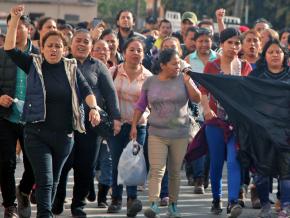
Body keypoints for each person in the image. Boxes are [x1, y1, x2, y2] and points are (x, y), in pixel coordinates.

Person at [4, 5, 101, 218]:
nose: (54, 49)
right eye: (50, 46)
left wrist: (93, 107)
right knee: (46, 181)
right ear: (43, 48)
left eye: (58, 46)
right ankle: (45, 215)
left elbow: (86, 90)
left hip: (65, 137)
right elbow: (10, 48)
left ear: (64, 49)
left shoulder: (71, 67)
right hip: (37, 134)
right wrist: (14, 20)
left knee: (54, 182)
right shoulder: (33, 63)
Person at [51, 28, 121, 217]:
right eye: (78, 41)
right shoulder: (59, 63)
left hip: (91, 125)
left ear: (91, 46)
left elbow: (110, 94)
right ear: (70, 44)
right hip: (63, 124)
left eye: (86, 42)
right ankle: (57, 200)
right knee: (63, 165)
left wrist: (116, 118)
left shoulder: (98, 66)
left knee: (85, 166)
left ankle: (78, 205)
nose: (81, 44)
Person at [130, 48, 201, 218]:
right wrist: (134, 125)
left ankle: (173, 206)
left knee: (175, 172)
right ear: (163, 65)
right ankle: (154, 204)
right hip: (156, 133)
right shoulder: (150, 82)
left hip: (180, 134)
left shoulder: (183, 79)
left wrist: (188, 81)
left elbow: (197, 98)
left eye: (179, 63)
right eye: (174, 63)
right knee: (157, 170)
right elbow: (141, 105)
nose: (178, 66)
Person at [200, 28, 252, 217]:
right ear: (221, 44)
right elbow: (203, 91)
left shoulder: (245, 67)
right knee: (215, 163)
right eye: (229, 42)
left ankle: (232, 202)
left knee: (233, 162)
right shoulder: (212, 66)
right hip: (215, 123)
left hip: (237, 124)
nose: (233, 46)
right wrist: (206, 109)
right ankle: (216, 198)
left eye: (237, 43)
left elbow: (249, 95)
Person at [107, 37, 152, 217]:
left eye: (139, 50)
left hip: (139, 125)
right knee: (117, 161)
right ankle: (116, 199)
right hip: (117, 124)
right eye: (131, 50)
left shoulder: (149, 77)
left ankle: (132, 199)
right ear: (124, 52)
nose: (135, 53)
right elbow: (106, 98)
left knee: (134, 162)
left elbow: (152, 103)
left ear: (143, 54)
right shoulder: (113, 72)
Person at [0, 12, 38, 218]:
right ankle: (9, 205)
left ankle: (23, 190)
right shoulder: (1, 54)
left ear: (29, 29)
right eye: (9, 26)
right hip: (6, 117)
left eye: (17, 25)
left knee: (33, 162)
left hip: (32, 119)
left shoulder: (41, 55)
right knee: (6, 162)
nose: (12, 30)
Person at [249, 39, 290, 218]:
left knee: (286, 172)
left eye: (278, 52)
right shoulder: (256, 77)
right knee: (262, 172)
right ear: (264, 56)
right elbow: (244, 97)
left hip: (286, 132)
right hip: (262, 132)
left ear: (284, 55)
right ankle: (265, 205)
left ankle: (286, 206)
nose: (275, 55)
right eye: (271, 52)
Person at [185, 28, 218, 194]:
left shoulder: (218, 59)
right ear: (194, 42)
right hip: (195, 110)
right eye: (200, 41)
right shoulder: (188, 59)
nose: (204, 44)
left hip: (215, 110)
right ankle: (198, 179)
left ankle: (205, 177)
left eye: (207, 40)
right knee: (198, 144)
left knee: (212, 147)